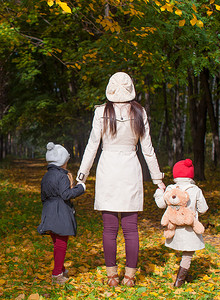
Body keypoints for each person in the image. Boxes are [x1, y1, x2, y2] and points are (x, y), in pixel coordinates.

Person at [76, 72, 165, 287]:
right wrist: (157, 179)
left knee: (109, 229)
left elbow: (91, 147)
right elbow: (148, 149)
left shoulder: (100, 112)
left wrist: (82, 177)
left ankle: (112, 276)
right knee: (131, 228)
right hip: (130, 170)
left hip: (108, 169)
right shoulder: (139, 112)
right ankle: (130, 277)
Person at [154, 159, 208, 287]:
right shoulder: (196, 190)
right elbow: (204, 209)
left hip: (174, 227)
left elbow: (161, 204)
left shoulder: (170, 188)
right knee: (188, 254)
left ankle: (183, 276)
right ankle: (180, 281)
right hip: (190, 227)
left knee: (181, 250)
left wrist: (158, 193)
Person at [37, 142, 86, 285]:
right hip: (60, 213)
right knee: (61, 244)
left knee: (57, 243)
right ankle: (57, 274)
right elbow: (66, 195)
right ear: (62, 162)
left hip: (48, 212)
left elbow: (43, 196)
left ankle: (61, 269)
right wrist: (80, 188)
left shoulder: (46, 176)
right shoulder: (62, 176)